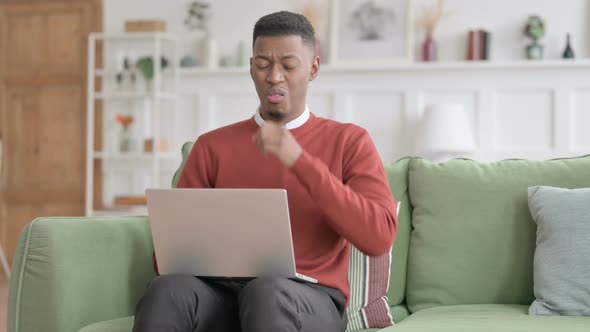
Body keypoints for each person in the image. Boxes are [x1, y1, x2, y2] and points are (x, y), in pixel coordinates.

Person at [133, 10, 397, 332]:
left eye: (288, 65)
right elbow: (168, 260)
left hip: (309, 299)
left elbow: (379, 237)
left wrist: (298, 160)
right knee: (167, 290)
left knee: (267, 291)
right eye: (263, 64)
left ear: (313, 68)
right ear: (251, 68)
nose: (274, 76)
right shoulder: (211, 146)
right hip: (225, 295)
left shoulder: (349, 141)